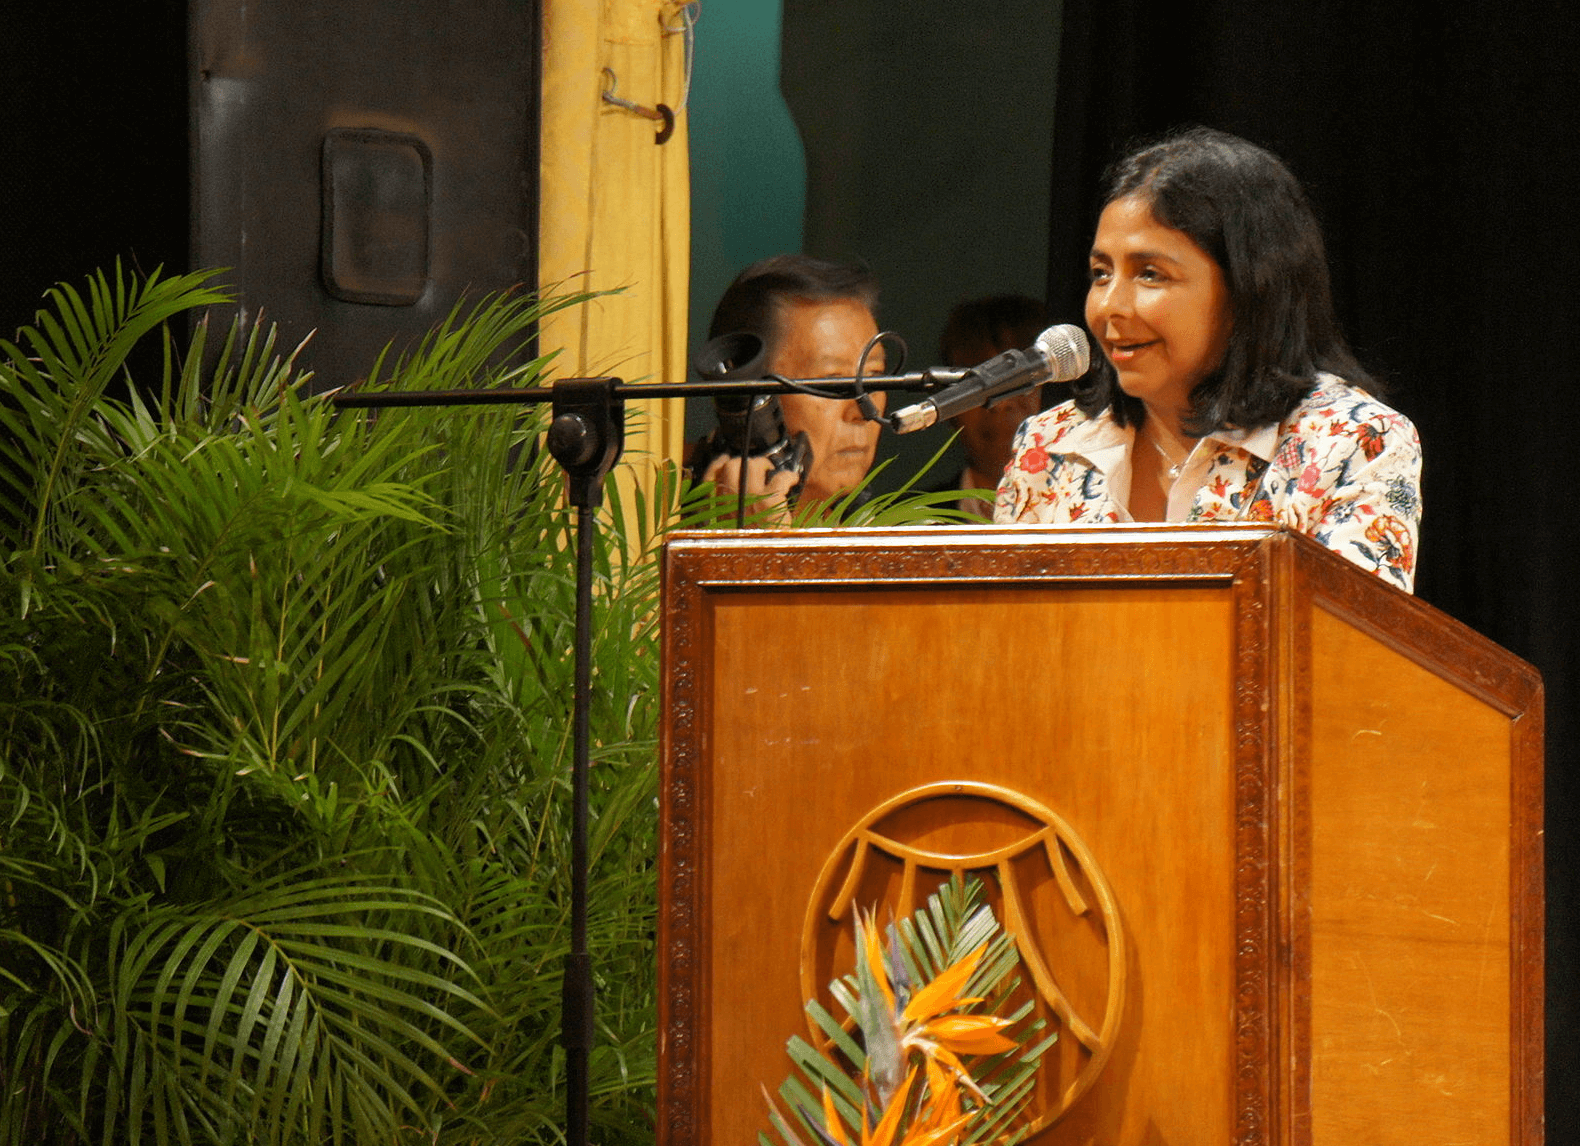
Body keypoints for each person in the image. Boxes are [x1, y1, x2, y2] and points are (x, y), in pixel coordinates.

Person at [995, 127, 1422, 592]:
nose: (1109, 306)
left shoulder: (1354, 441)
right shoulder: (1048, 445)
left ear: (1249, 287)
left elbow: (1345, 652)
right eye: (1101, 273)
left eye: (1150, 274)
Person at [690, 254, 887, 515]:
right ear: (749, 394)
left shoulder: (909, 537)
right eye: (831, 383)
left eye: (874, 376)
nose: (863, 411)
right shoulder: (654, 526)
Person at [932, 294, 1054, 517]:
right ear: (947, 407)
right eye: (977, 386)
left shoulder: (1102, 514)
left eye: (1022, 382)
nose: (1001, 403)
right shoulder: (905, 525)